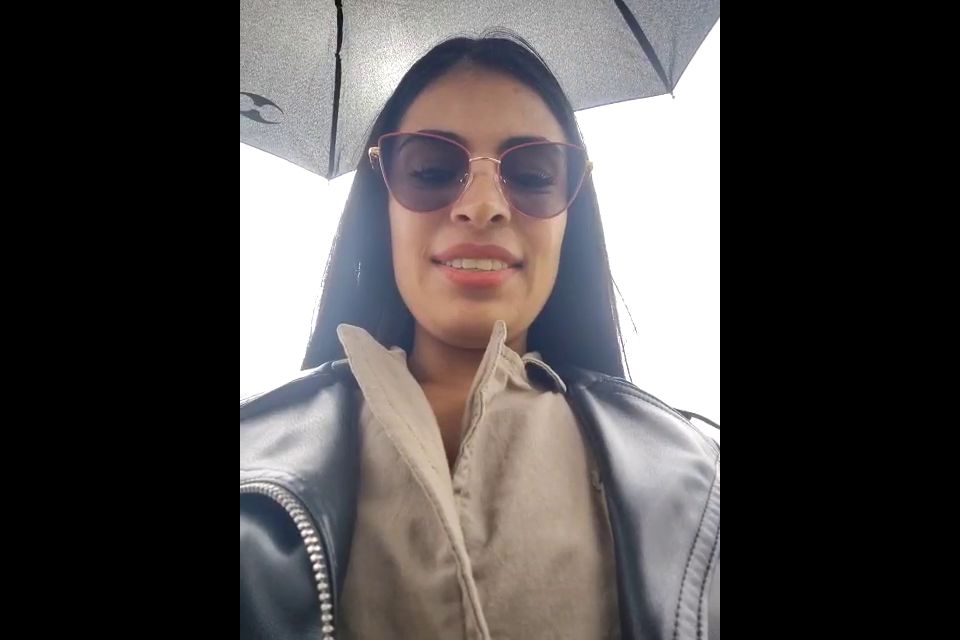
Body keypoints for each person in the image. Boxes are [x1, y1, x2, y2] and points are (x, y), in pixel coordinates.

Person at [240, 35, 719, 640]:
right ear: (382, 202)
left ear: (571, 213)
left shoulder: (703, 487)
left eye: (533, 175)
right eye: (432, 171)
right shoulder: (249, 465)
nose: (484, 205)